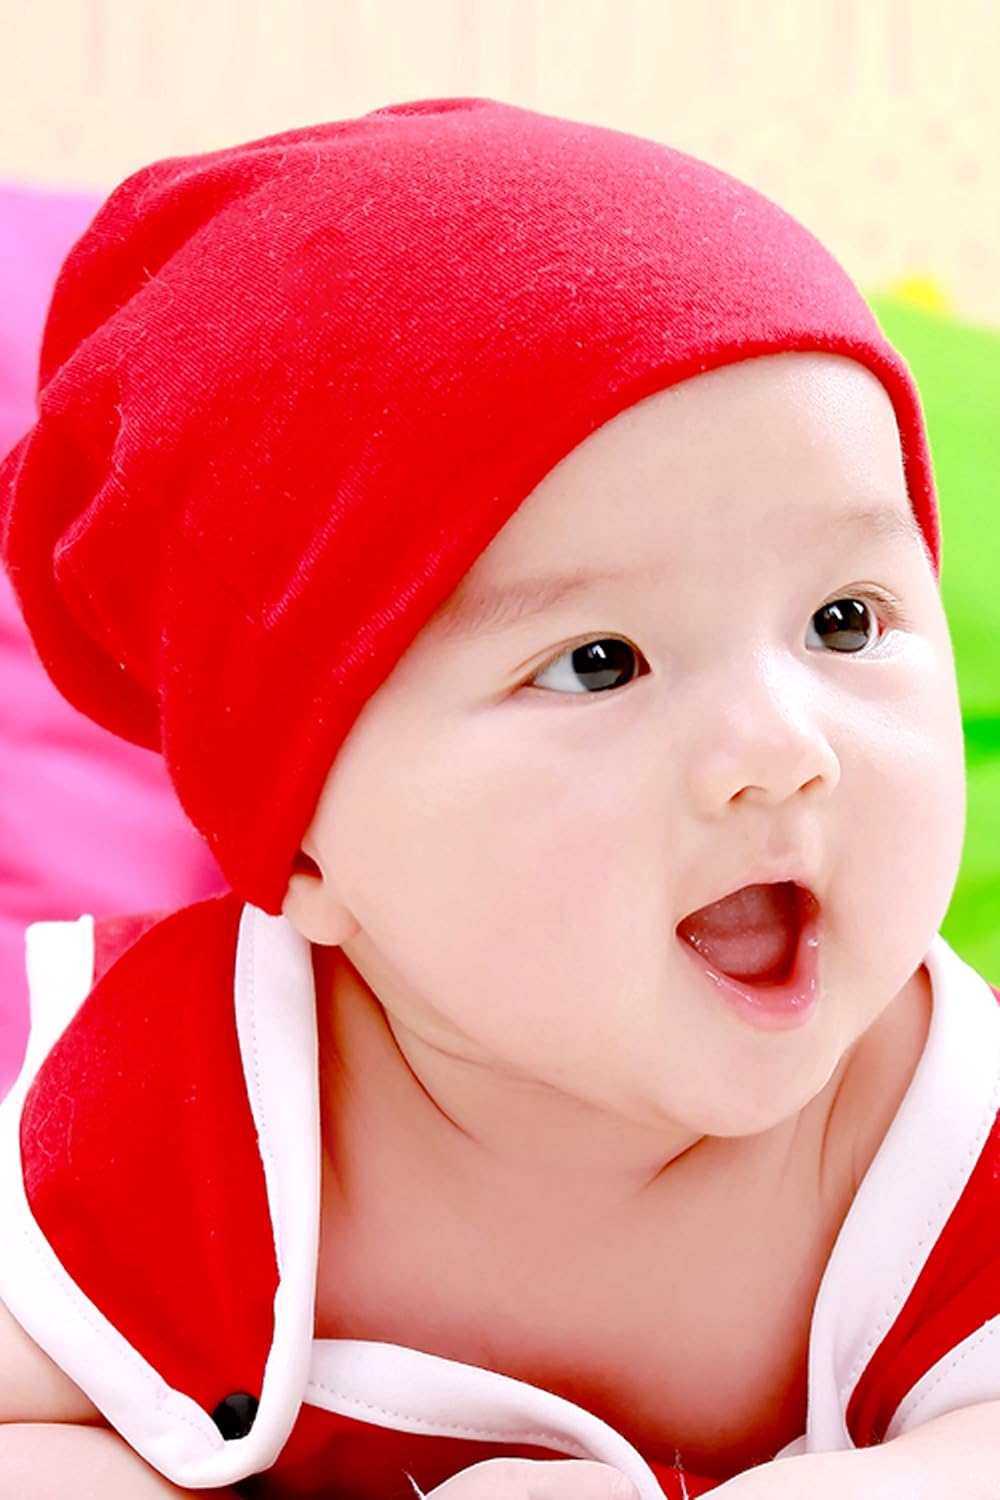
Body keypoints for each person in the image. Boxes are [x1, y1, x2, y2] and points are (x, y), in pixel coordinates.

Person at [0, 98, 998, 1500]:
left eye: (844, 621)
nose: (782, 750)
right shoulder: (183, 1115)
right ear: (301, 847)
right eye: (599, 663)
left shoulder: (943, 1128)